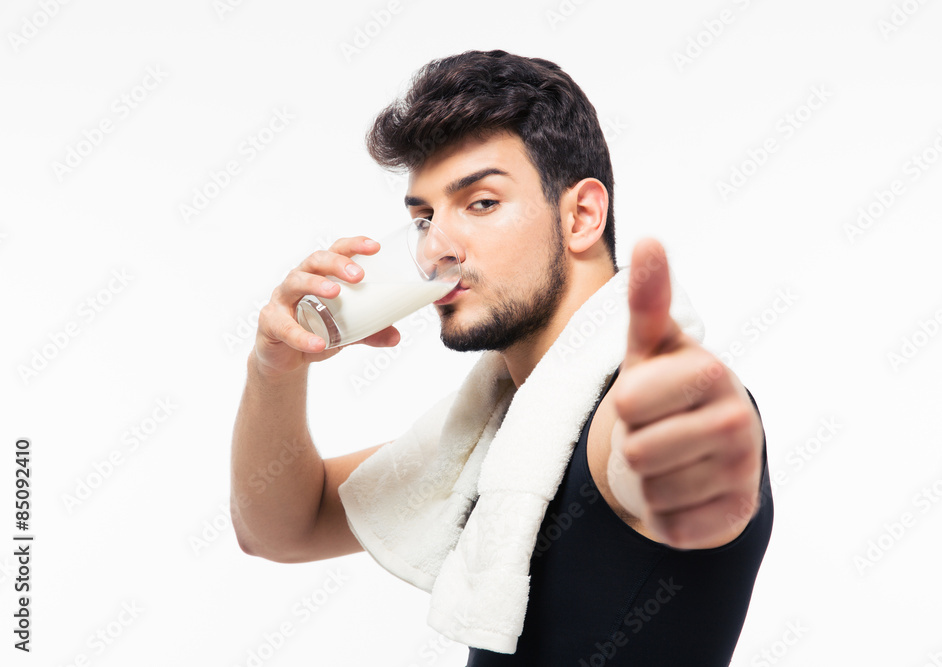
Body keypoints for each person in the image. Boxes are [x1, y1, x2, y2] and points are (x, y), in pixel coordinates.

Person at [231, 49, 773, 665]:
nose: (438, 247)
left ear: (582, 216)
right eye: (424, 218)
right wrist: (274, 367)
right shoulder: (505, 430)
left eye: (481, 203)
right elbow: (276, 529)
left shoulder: (636, 404)